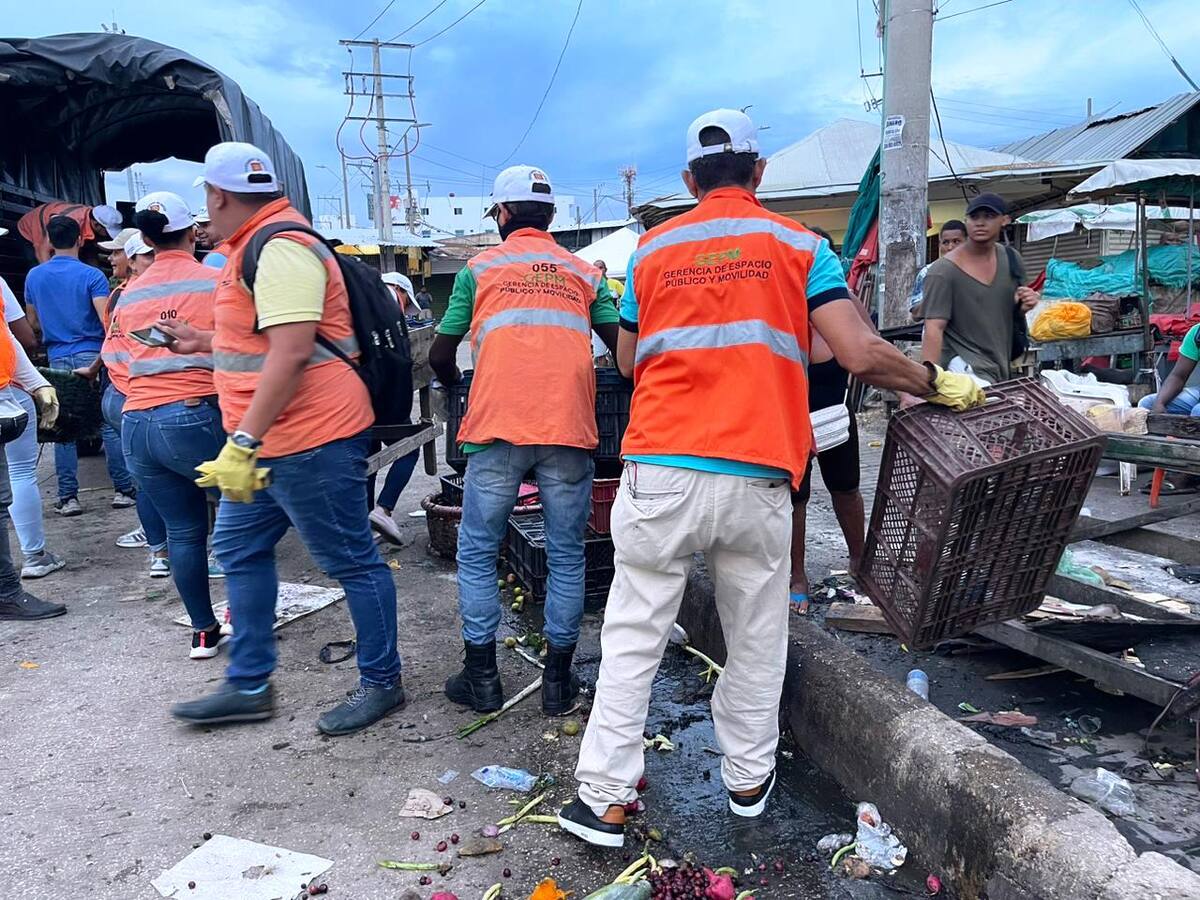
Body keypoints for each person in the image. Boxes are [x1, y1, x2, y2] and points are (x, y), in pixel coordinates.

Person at [557, 109, 985, 847]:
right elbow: (855, 352)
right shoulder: (800, 245)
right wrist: (934, 381)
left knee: (633, 635)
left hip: (662, 468)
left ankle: (603, 802)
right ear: (759, 174)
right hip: (758, 475)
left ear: (690, 181)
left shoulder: (653, 252)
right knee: (756, 635)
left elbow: (626, 364)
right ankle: (748, 783)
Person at [165, 142, 403, 734]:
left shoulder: (282, 248)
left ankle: (382, 683)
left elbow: (295, 350)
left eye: (207, 202)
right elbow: (264, 346)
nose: (206, 215)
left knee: (351, 561)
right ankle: (248, 684)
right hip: (270, 440)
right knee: (239, 550)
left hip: (310, 438)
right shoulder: (253, 248)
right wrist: (201, 343)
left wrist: (242, 442)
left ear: (218, 195)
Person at [429, 164, 620, 717]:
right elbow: (618, 347)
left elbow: (442, 354)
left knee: (479, 550)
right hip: (568, 430)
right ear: (552, 215)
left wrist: (456, 387)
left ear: (502, 215)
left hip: (496, 429)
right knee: (565, 554)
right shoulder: (585, 274)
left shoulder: (479, 270)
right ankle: (558, 685)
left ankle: (483, 679)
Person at [112, 193, 225, 655]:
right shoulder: (212, 281)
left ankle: (202, 630)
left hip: (135, 422)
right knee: (247, 514)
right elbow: (243, 349)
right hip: (194, 414)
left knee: (181, 530)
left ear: (145, 240)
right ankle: (252, 615)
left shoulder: (129, 293)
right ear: (192, 232)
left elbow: (117, 361)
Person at [72, 230, 174, 573]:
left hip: (121, 394)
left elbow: (114, 339)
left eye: (117, 253)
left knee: (149, 477)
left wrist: (94, 367)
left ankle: (159, 549)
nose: (111, 259)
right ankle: (170, 546)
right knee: (174, 475)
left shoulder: (119, 295)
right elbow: (154, 345)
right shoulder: (153, 294)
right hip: (138, 394)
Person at [22, 215, 137, 515]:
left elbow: (32, 323)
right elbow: (107, 319)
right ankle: (124, 491)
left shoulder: (34, 276)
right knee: (107, 424)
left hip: (58, 358)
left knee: (64, 429)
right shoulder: (93, 276)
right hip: (92, 355)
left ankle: (69, 498)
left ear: (48, 241)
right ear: (79, 239)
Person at [788, 224, 870, 612]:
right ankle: (797, 576)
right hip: (789, 418)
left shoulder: (845, 303)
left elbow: (872, 349)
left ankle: (860, 561)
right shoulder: (782, 304)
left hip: (835, 413)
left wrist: (910, 389)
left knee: (847, 489)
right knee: (796, 500)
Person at [914, 195, 1039, 387]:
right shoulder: (943, 271)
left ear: (1004, 220)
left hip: (999, 362)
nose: (980, 223)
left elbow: (1007, 310)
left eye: (988, 216)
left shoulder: (1011, 259)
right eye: (974, 217)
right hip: (962, 366)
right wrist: (928, 384)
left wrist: (1024, 304)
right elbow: (933, 328)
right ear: (967, 221)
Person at [0, 270, 67, 579]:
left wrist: (39, 384)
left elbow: (7, 337)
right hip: (7, 392)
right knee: (20, 471)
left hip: (9, 388)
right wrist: (37, 384)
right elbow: (18, 336)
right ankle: (33, 556)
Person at [369, 272, 424, 545]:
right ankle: (383, 509)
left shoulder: (358, 294)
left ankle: (364, 520)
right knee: (409, 448)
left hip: (355, 398)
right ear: (400, 290)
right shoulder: (387, 297)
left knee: (367, 456)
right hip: (381, 394)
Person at [18, 201, 123, 263]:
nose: (108, 236)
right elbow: (42, 250)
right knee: (35, 266)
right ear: (96, 225)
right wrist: (51, 276)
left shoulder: (93, 216)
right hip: (29, 231)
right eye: (107, 232)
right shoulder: (67, 222)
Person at [908, 220, 967, 317]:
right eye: (945, 242)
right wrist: (936, 295)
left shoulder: (976, 271)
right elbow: (915, 315)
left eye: (956, 241)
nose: (950, 247)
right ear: (939, 245)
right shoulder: (927, 272)